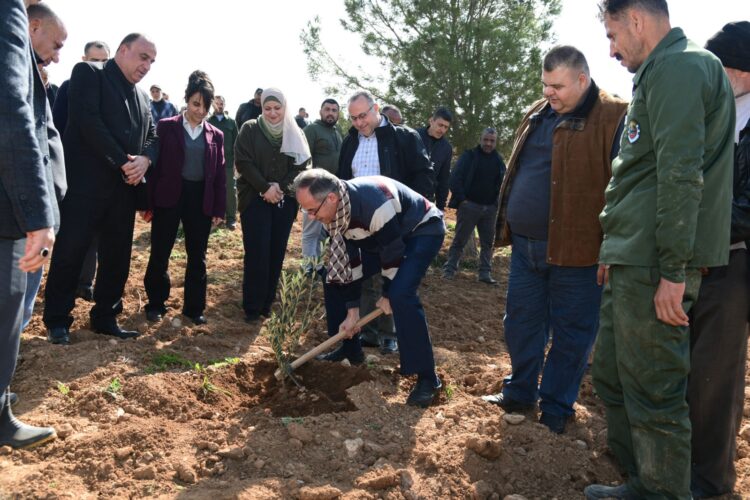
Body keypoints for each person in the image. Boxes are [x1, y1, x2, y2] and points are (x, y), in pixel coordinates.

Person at [585, 1, 735, 498]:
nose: (611, 51)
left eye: (612, 35)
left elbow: (679, 174)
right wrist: (614, 246)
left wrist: (673, 269)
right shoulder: (663, 69)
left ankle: (662, 492)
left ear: (635, 19)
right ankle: (643, 483)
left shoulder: (680, 67)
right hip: (634, 252)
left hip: (655, 261)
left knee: (654, 388)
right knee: (613, 376)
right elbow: (641, 173)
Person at [482, 45, 627, 435]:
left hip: (579, 252)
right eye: (545, 85)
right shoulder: (538, 111)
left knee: (572, 333)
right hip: (526, 247)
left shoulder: (614, 115)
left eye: (557, 87)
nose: (549, 93)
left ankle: (556, 407)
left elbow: (626, 189)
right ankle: (519, 393)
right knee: (521, 325)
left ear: (582, 79)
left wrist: (613, 246)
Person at [43, 33, 159, 345]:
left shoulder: (143, 98)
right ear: (122, 50)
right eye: (143, 57)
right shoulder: (89, 73)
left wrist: (146, 160)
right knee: (70, 253)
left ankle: (106, 317)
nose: (147, 66)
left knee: (117, 259)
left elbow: (153, 135)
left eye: (151, 61)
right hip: (84, 187)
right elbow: (87, 121)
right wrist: (123, 162)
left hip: (123, 193)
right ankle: (57, 320)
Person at [294, 169, 445, 407]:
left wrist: (388, 292)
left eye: (312, 210)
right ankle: (350, 349)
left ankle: (428, 379)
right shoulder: (336, 215)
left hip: (420, 230)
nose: (311, 217)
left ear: (331, 198)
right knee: (334, 278)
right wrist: (352, 311)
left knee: (401, 295)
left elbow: (393, 251)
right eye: (306, 211)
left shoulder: (373, 205)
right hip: (380, 238)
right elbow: (348, 263)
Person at [686, 21, 750, 499]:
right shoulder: (717, 113)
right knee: (683, 373)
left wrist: (691, 218)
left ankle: (709, 486)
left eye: (722, 68)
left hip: (731, 267)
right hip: (689, 262)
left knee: (714, 381)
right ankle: (671, 475)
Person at [0, 0, 59, 449]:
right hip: (8, 210)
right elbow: (11, 111)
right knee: (6, 310)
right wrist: (37, 216)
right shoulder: (7, 11)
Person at [335, 90, 434, 355]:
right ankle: (368, 332)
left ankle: (390, 334)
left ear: (376, 108)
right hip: (361, 222)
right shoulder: (350, 142)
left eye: (363, 116)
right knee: (367, 276)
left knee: (392, 275)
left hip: (395, 220)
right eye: (354, 118)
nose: (359, 123)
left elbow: (423, 177)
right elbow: (342, 180)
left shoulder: (404, 138)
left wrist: (412, 219)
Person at [144, 71, 225, 326]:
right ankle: (156, 303)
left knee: (197, 254)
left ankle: (194, 308)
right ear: (187, 99)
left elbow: (220, 174)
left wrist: (219, 208)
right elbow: (155, 167)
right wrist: (148, 202)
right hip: (169, 195)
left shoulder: (216, 135)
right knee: (160, 250)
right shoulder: (166, 126)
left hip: (200, 197)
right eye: (196, 104)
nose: (200, 111)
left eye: (205, 106)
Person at [235, 88, 310, 322]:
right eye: (267, 108)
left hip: (284, 201)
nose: (273, 113)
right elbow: (243, 161)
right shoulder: (250, 129)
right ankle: (252, 307)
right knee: (257, 252)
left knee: (276, 252)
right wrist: (264, 187)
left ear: (285, 108)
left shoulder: (295, 132)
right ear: (261, 107)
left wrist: (281, 187)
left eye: (277, 108)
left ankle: (266, 304)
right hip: (254, 199)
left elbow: (303, 166)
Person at [51, 40, 110, 304]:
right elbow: (57, 129)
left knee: (95, 234)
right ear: (83, 60)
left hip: (101, 175)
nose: (99, 65)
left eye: (103, 61)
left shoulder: (111, 93)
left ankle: (85, 282)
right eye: (94, 60)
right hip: (72, 173)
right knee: (70, 235)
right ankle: (63, 286)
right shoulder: (67, 88)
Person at [21, 2, 68, 331]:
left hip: (36, 213)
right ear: (34, 27)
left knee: (20, 309)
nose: (57, 57)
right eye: (57, 45)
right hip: (21, 216)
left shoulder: (33, 75)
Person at [443, 127, 507, 284]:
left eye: (492, 141)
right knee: (459, 241)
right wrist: (463, 200)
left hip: (490, 209)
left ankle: (485, 274)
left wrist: (496, 205)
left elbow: (502, 184)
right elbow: (455, 178)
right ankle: (449, 270)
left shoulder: (498, 160)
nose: (488, 143)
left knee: (488, 244)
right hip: (469, 207)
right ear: (480, 139)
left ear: (495, 142)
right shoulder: (469, 156)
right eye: (486, 140)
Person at [301, 98, 343, 267]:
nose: (330, 113)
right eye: (327, 109)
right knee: (311, 232)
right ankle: (308, 268)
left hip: (332, 191)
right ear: (320, 111)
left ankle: (317, 266)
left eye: (334, 110)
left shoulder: (337, 132)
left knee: (322, 233)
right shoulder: (312, 129)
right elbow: (303, 159)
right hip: (314, 190)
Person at [207, 95, 239, 229]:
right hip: (211, 162)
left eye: (221, 103)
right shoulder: (208, 121)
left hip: (228, 162)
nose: (219, 106)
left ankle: (231, 219)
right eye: (217, 103)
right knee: (212, 189)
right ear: (213, 104)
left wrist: (236, 162)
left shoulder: (231, 122)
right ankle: (214, 217)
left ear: (224, 105)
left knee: (230, 191)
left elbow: (237, 143)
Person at [417, 107, 453, 211]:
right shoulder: (414, 136)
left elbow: (443, 179)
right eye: (440, 125)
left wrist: (440, 207)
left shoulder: (446, 148)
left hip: (427, 199)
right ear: (431, 121)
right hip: (406, 193)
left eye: (446, 127)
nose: (442, 130)